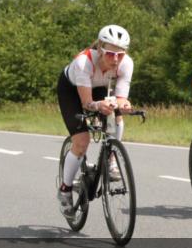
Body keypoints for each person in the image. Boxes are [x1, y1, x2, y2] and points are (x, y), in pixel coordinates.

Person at [56, 25, 134, 215]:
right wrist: (99, 106)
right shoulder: (84, 63)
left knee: (116, 115)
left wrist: (123, 105)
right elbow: (86, 102)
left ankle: (112, 157)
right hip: (72, 91)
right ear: (99, 48)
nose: (115, 60)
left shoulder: (126, 63)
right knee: (82, 141)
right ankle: (65, 189)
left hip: (98, 87)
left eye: (120, 55)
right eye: (109, 54)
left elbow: (122, 97)